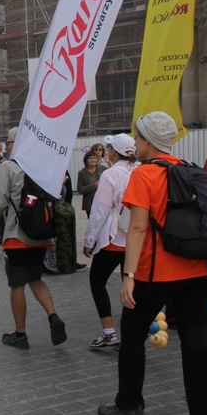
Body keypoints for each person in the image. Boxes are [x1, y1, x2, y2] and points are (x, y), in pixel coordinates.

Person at [98, 112, 207, 415]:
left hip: (154, 272)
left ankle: (129, 408)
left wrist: (128, 276)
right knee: (196, 342)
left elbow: (137, 228)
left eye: (138, 137)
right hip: (196, 269)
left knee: (132, 335)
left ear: (148, 140)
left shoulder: (144, 174)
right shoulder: (190, 169)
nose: (135, 143)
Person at [0, 127, 67, 349]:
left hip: (17, 235)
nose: (6, 146)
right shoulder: (44, 168)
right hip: (41, 235)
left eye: (9, 142)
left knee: (17, 285)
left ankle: (20, 334)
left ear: (19, 144)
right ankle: (53, 316)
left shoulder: (9, 168)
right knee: (36, 278)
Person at [82, 134, 136, 349]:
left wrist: (89, 239)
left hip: (114, 238)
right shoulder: (140, 170)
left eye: (108, 147)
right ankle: (131, 333)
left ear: (114, 151)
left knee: (97, 280)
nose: (105, 151)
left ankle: (109, 331)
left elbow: (100, 210)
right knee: (131, 285)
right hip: (136, 239)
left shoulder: (111, 174)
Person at [77, 150, 103, 218]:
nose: (93, 160)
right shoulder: (82, 173)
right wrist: (93, 186)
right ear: (86, 160)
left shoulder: (103, 169)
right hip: (89, 203)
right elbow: (80, 189)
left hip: (102, 202)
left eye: (95, 158)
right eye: (91, 158)